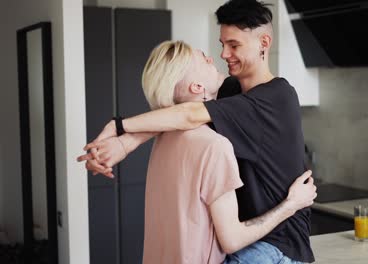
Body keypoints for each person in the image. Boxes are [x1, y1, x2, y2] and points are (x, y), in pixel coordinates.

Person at [80, 0, 315, 263]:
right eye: (222, 43)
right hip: (249, 237)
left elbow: (190, 113)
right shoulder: (231, 92)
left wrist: (119, 126)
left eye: (234, 45)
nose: (224, 54)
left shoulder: (277, 96)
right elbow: (181, 115)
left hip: (277, 245)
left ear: (264, 43)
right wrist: (124, 145)